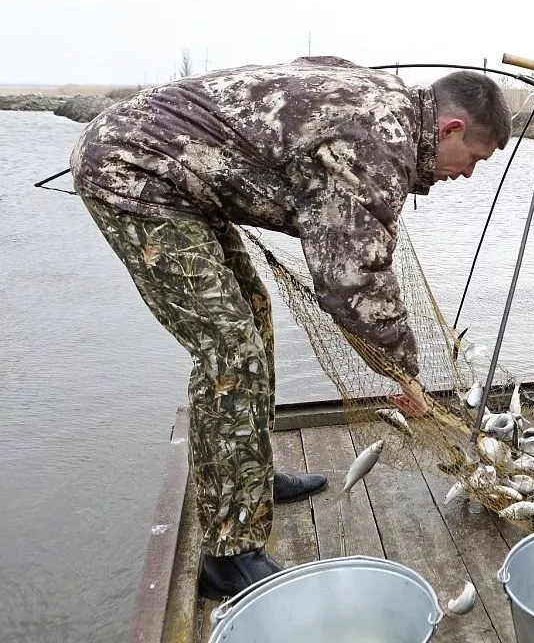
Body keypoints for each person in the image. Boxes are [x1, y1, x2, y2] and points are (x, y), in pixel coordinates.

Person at [69, 56, 511, 599]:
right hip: (134, 173)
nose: (467, 174)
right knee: (230, 352)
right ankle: (227, 559)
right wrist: (405, 373)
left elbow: (311, 69)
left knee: (253, 310)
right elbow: (353, 280)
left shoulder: (389, 103)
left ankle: (249, 478)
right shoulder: (377, 144)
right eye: (472, 160)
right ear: (451, 129)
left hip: (178, 174)